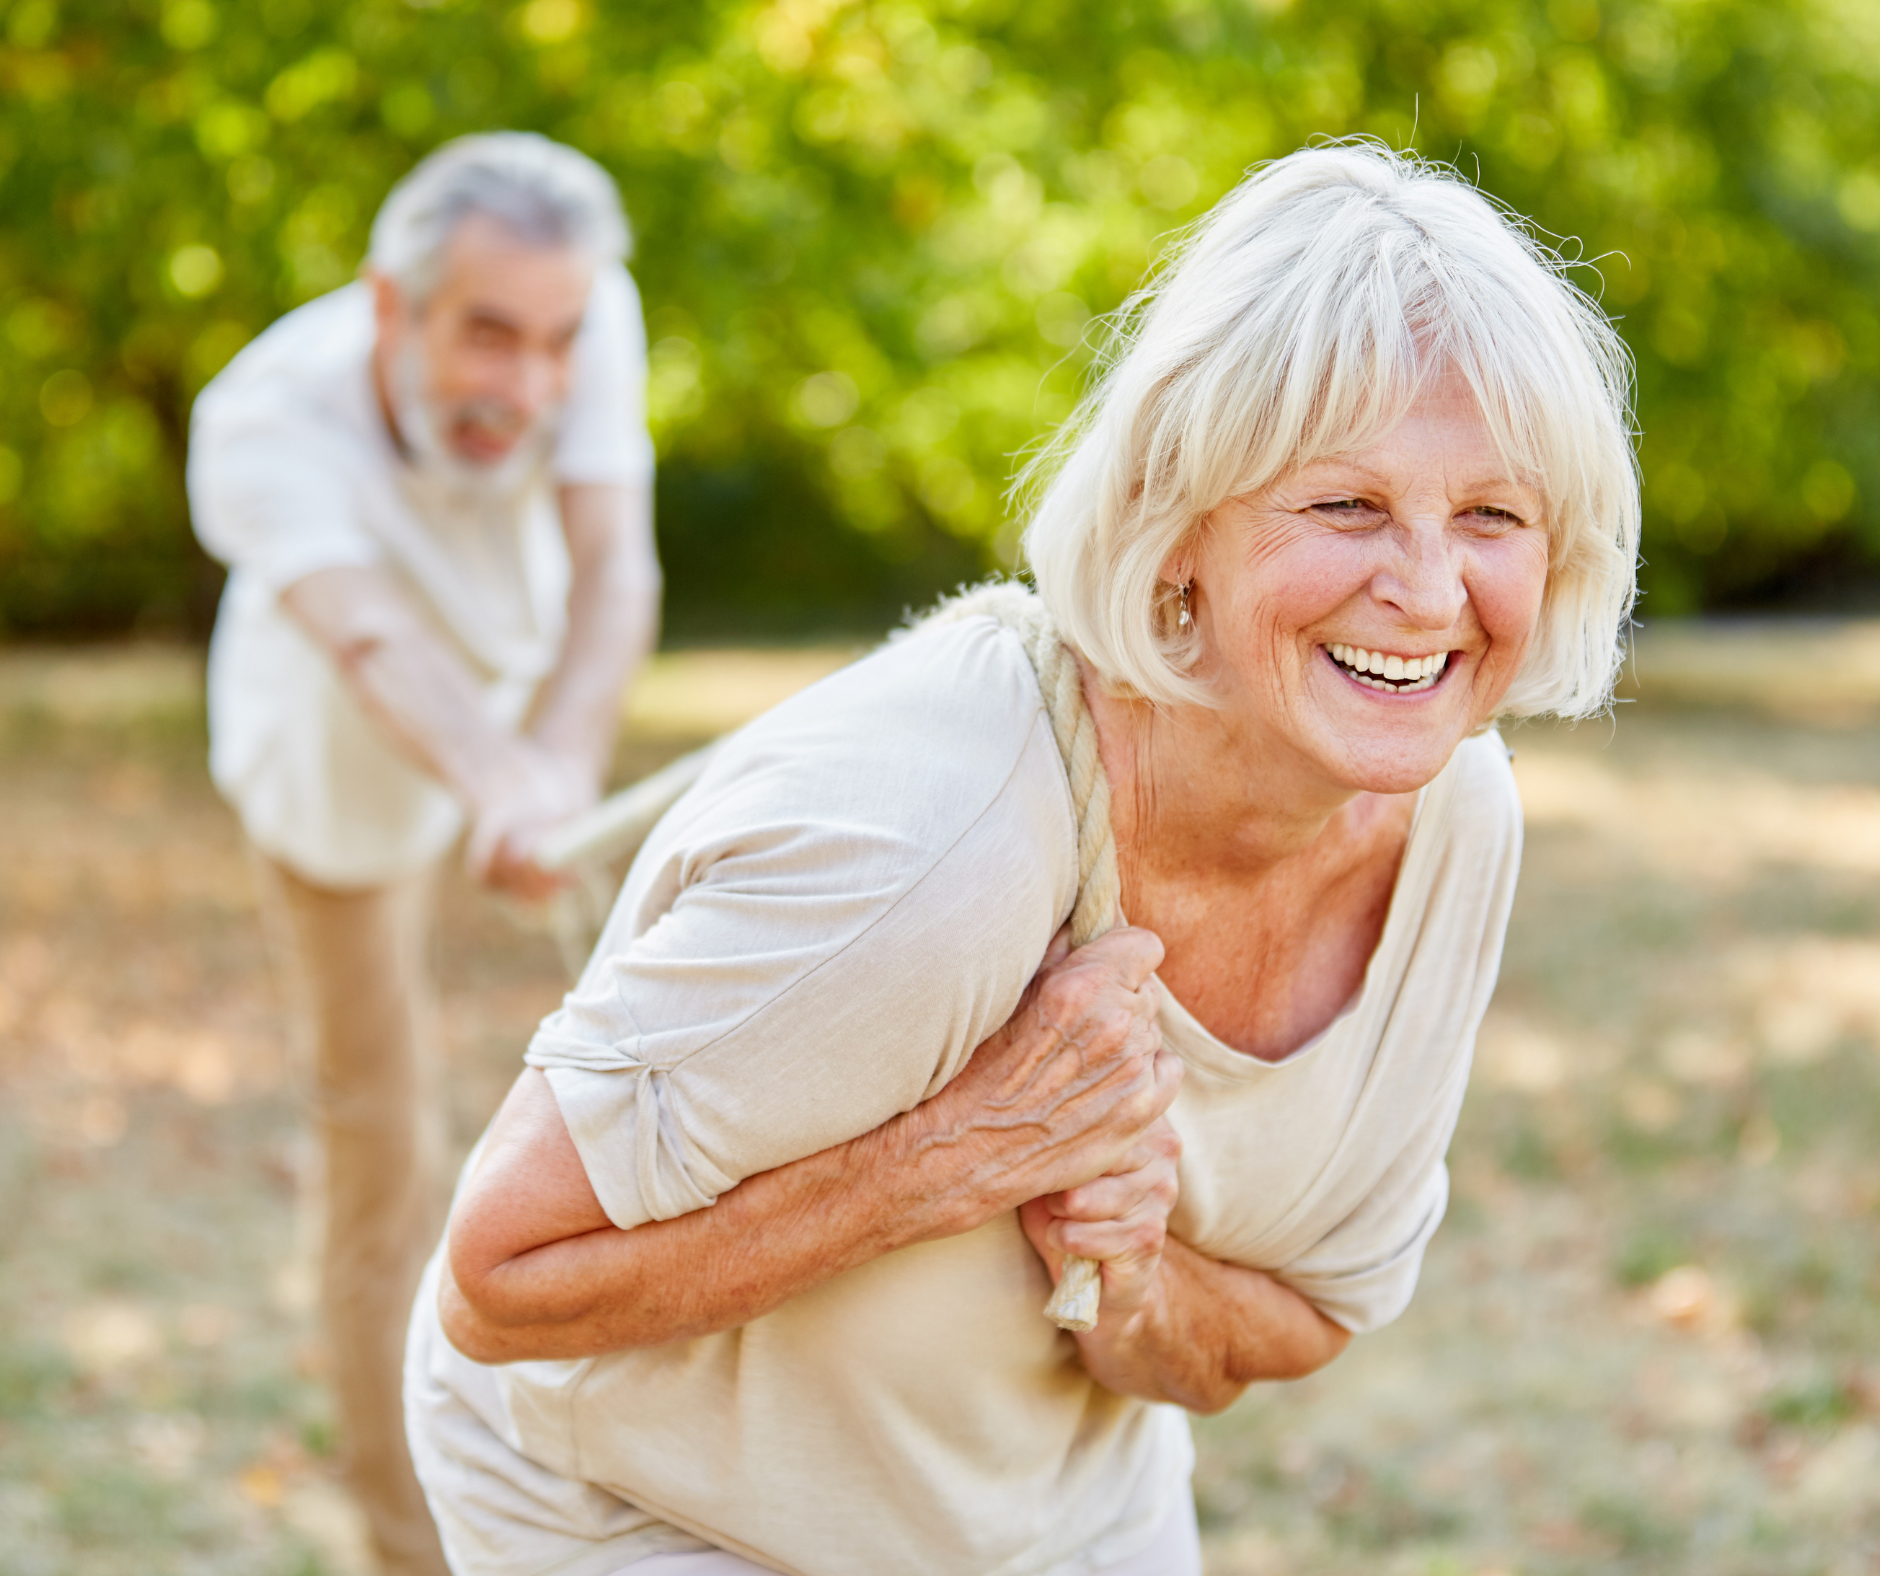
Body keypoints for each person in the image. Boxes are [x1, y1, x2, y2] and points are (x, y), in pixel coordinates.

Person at [406, 142, 1641, 1576]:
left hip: (1047, 1520)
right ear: (1180, 528)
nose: (1429, 589)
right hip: (653, 1513)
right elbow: (495, 1287)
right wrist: (951, 1155)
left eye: (1491, 515)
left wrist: (1126, 1271)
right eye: (1344, 505)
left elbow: (1297, 1321)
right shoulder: (936, 839)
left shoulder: (1454, 816)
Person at [187, 133, 661, 1576]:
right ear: (392, 308)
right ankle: (415, 1553)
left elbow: (612, 569)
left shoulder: (587, 308)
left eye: (555, 343)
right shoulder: (264, 421)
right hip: (330, 765)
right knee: (383, 1151)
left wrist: (561, 767)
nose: (529, 385)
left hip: (514, 709)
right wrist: (495, 778)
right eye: (488, 337)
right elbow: (372, 639)